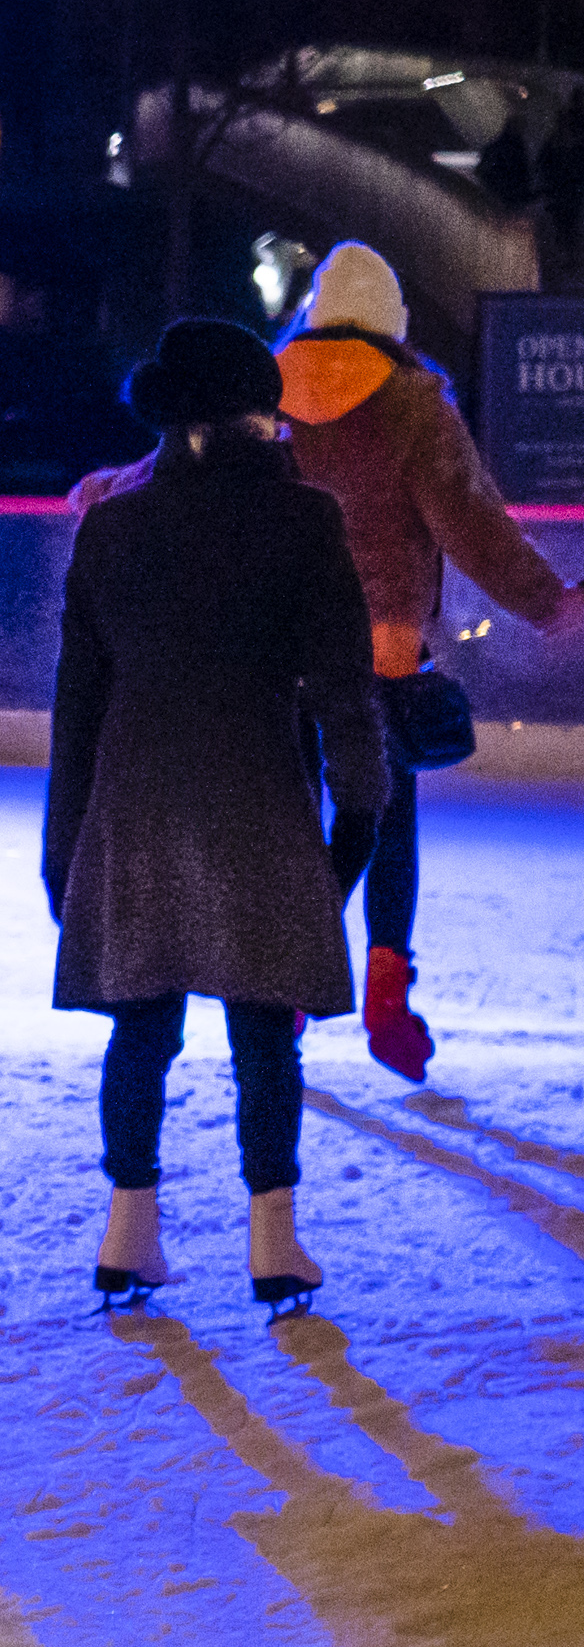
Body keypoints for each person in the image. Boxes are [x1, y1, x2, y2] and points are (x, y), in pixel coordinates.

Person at [47, 318, 388, 1317]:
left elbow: (76, 705)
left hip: (132, 806)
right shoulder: (301, 521)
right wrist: (356, 822)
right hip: (257, 805)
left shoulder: (109, 528)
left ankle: (126, 1228)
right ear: (255, 412)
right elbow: (340, 688)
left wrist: (60, 844)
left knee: (138, 1026)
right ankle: (273, 1244)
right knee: (261, 1035)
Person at [171, 243, 573, 1083]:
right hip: (379, 659)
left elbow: (181, 475)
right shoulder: (415, 403)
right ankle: (385, 987)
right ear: (393, 318)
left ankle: (283, 984)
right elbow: (472, 526)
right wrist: (549, 601)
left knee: (294, 821)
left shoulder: (261, 390)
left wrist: (109, 489)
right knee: (384, 822)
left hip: (272, 654)